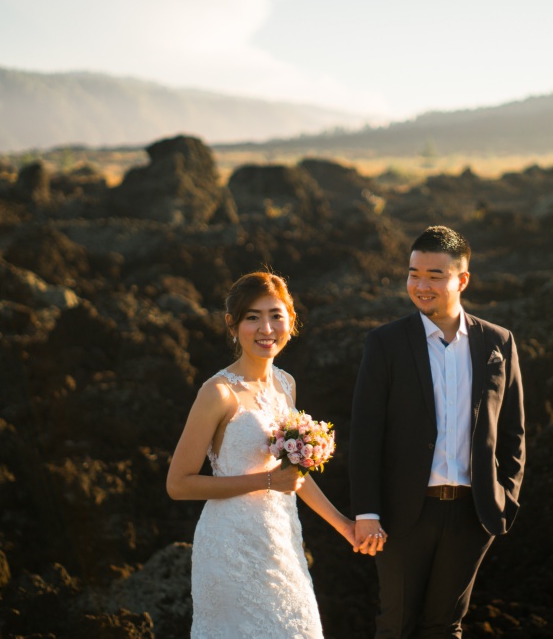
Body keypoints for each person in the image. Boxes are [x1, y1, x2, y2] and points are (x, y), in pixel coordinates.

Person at [350, 225, 526, 638]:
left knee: (445, 627)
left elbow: (514, 430)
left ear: (462, 279)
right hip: (402, 514)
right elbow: (365, 434)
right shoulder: (385, 343)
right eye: (414, 273)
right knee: (395, 625)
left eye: (435, 275)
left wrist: (506, 497)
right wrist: (367, 512)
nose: (420, 285)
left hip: (472, 513)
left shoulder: (498, 342)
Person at [167, 271, 360, 639]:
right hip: (229, 546)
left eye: (275, 315)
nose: (266, 328)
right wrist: (267, 481)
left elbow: (294, 477)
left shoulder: (286, 385)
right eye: (252, 317)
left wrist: (344, 527)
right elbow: (178, 484)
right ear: (232, 324)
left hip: (281, 539)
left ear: (291, 320)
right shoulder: (218, 392)